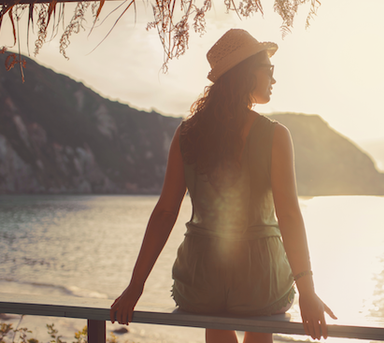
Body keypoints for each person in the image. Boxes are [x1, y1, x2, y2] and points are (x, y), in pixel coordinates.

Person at [109, 29, 336, 343]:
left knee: (215, 317)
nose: (274, 79)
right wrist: (307, 291)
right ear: (246, 74)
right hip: (260, 278)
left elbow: (165, 212)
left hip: (202, 278)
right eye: (269, 70)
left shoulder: (187, 133)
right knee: (260, 324)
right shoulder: (274, 135)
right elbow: (289, 216)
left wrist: (136, 286)